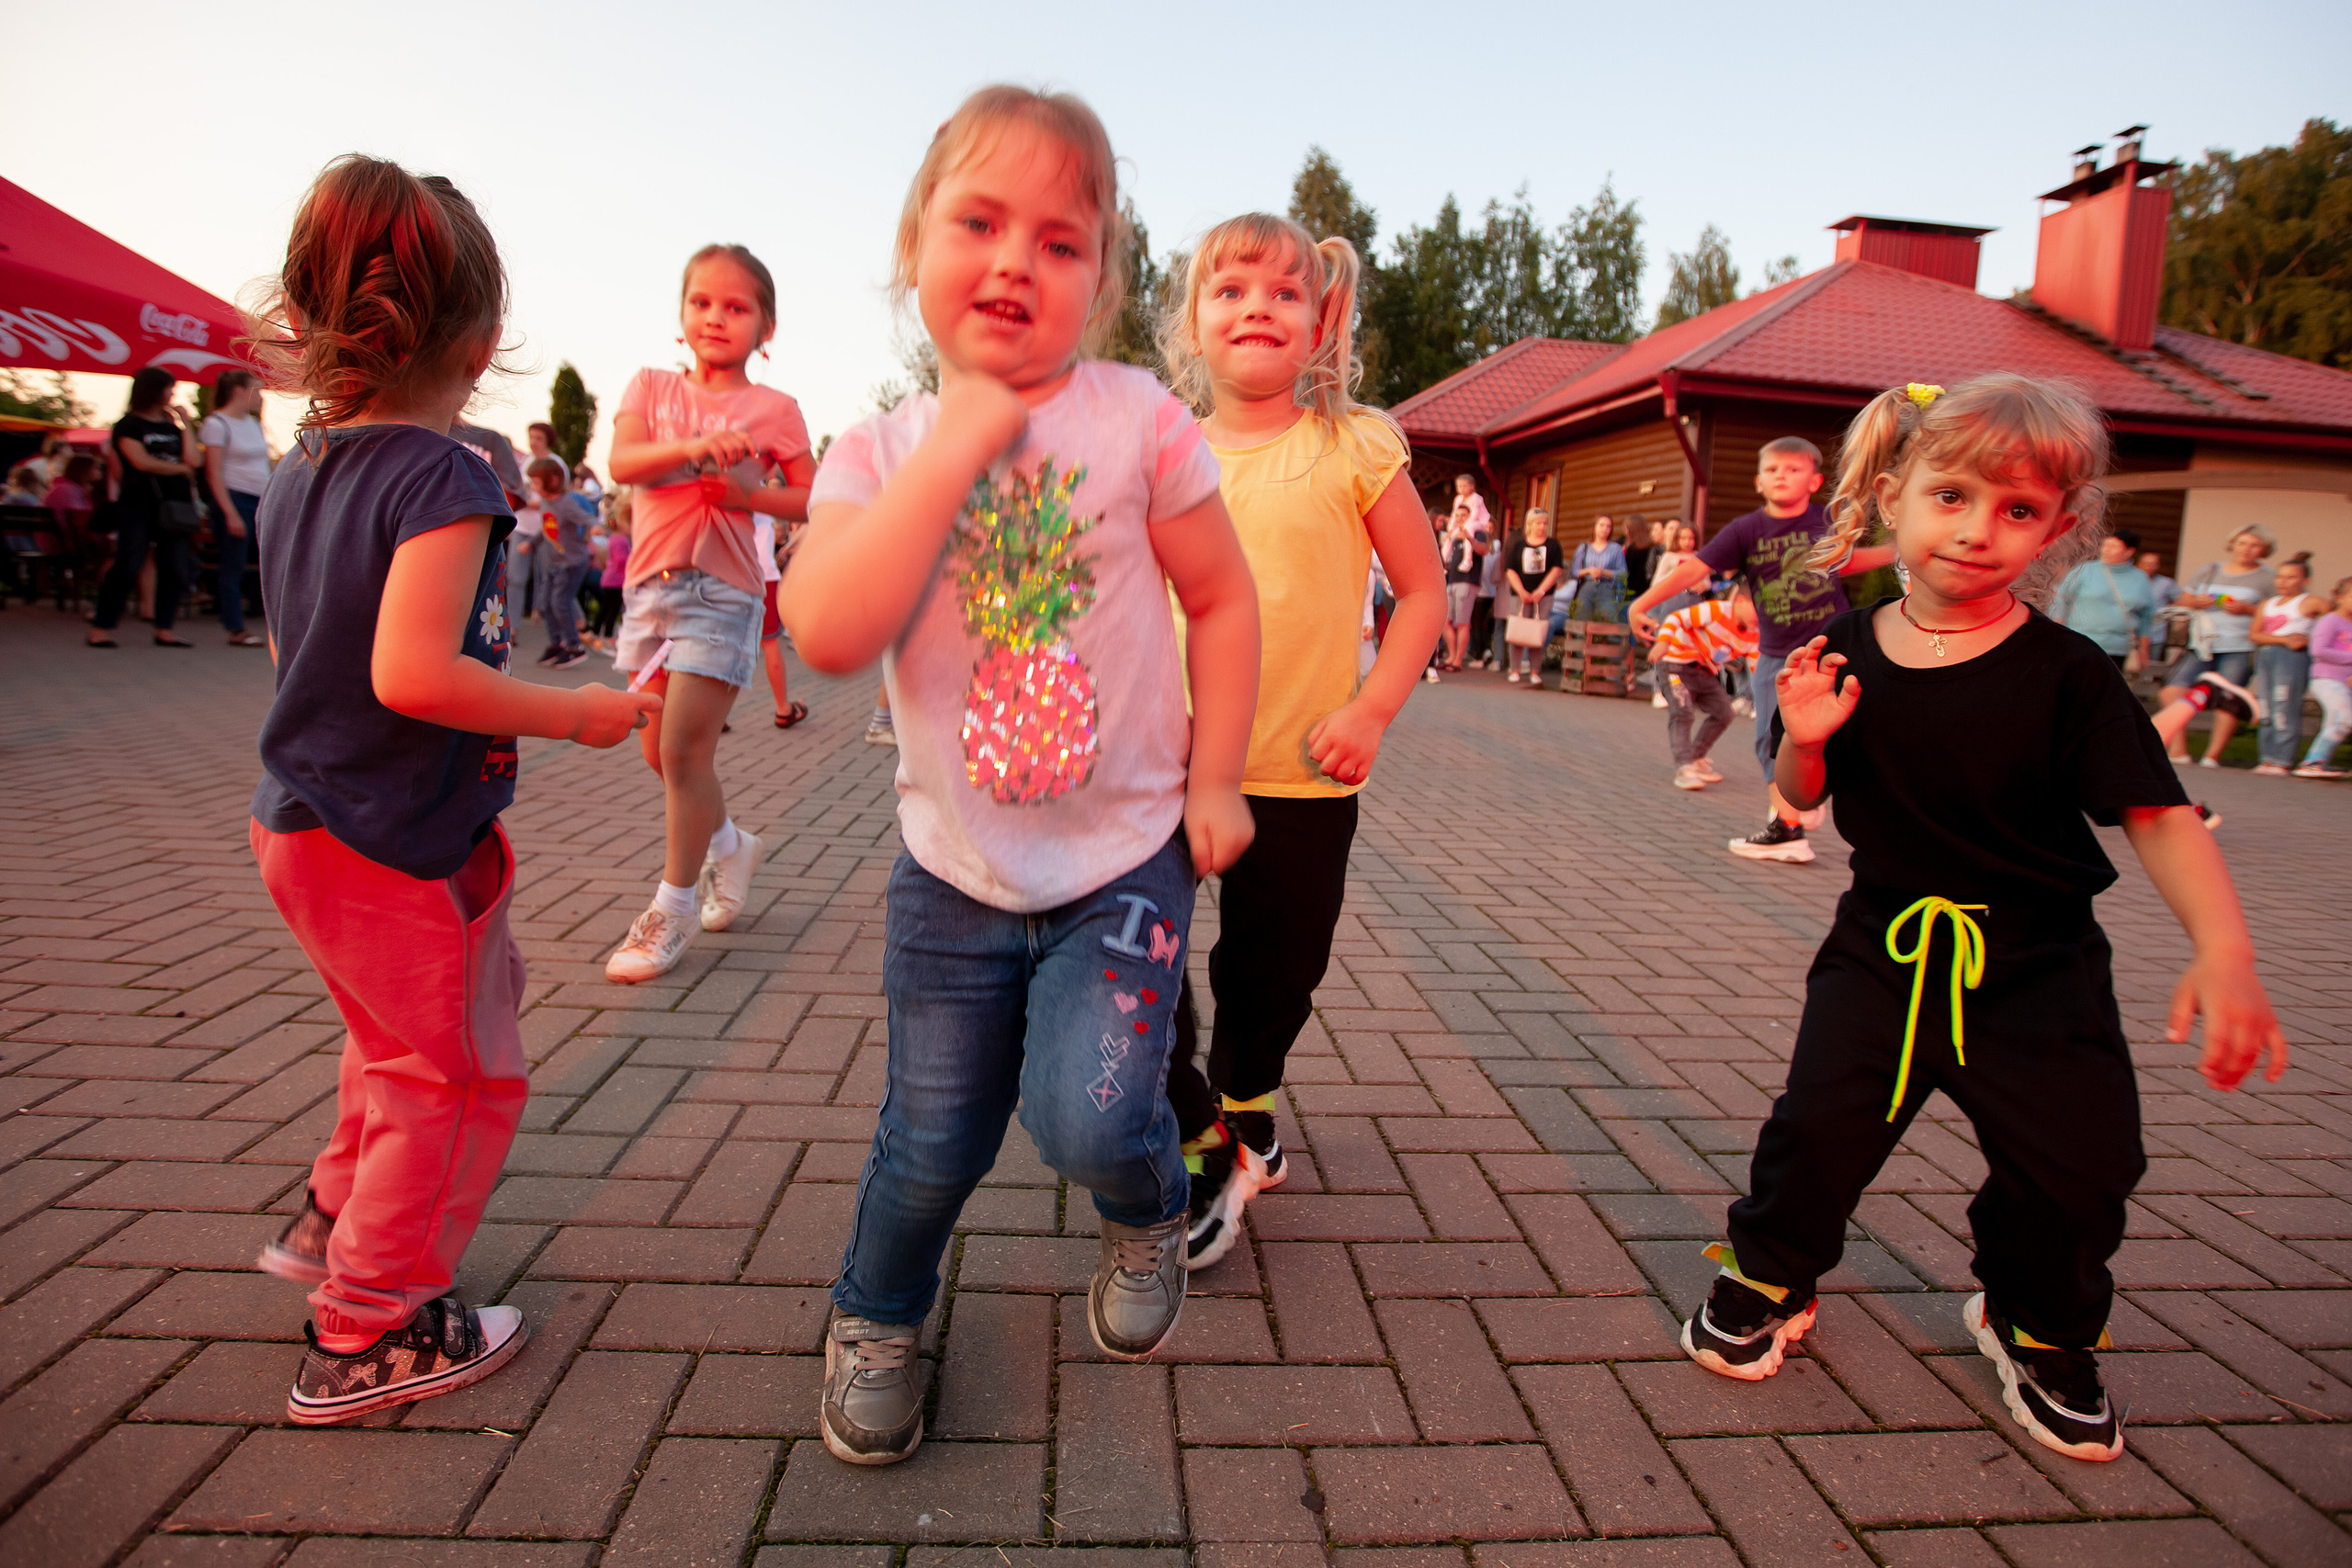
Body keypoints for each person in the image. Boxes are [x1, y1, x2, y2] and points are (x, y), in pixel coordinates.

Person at [1679, 374, 2286, 1467]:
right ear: (1894, 500)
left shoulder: (2070, 676)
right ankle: (1770, 1271)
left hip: (2038, 964)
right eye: (1952, 498)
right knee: (1818, 1124)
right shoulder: (1849, 648)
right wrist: (1805, 738)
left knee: (2081, 1166)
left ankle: (2034, 1326)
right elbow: (1803, 798)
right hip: (1883, 948)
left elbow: (2156, 815)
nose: (1977, 531)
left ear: (2059, 528)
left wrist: (2225, 947)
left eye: (2018, 512)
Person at [782, 85, 1261, 1463]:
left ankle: (1152, 1200)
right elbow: (826, 629)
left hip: (1127, 859)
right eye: (979, 221)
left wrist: (1218, 775)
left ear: (1102, 279)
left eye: (1061, 240)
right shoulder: (877, 450)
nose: (1013, 259)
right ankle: (877, 1310)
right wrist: (959, 441)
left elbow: (1223, 601)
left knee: (1096, 1109)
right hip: (953, 874)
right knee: (930, 1138)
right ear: (913, 248)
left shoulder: (1141, 420)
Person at [242, 153, 658, 1425]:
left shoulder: (304, 469)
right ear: (480, 344)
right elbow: (414, 668)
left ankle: (332, 1221)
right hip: (389, 834)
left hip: (303, 818)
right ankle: (368, 1326)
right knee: (455, 1073)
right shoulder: (445, 476)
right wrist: (575, 712)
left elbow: (292, 651)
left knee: (394, 1040)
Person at [1152, 209, 1445, 1268]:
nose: (1256, 310)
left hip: (1305, 777)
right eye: (1228, 291)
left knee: (1273, 975)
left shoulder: (1353, 444)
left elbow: (1421, 595)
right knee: (1147, 968)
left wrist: (1369, 709)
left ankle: (1246, 1100)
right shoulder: (1160, 448)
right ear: (1192, 322)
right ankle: (1205, 1134)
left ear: (1322, 322)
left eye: (1283, 293)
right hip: (1170, 775)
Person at [602, 243, 815, 982]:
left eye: (736, 306)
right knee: (655, 752)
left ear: (766, 325)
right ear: (681, 314)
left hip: (724, 590)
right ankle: (730, 845)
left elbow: (812, 495)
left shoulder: (776, 409)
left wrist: (750, 495)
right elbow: (624, 463)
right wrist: (696, 448)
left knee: (688, 754)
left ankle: (672, 906)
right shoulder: (652, 387)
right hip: (648, 590)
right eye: (702, 303)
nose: (716, 317)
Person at [1628, 435, 1896, 863]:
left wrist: (1896, 553)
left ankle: (1806, 802)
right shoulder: (1745, 530)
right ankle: (1787, 826)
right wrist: (1642, 603)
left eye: (1793, 469)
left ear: (1814, 481)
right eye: (1773, 470)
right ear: (1758, 481)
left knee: (1842, 729)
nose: (1782, 476)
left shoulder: (1825, 521)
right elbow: (1695, 569)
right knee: (1770, 740)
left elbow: (1843, 561)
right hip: (1775, 654)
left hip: (1833, 645)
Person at [88, 367, 200, 649]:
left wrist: (186, 423)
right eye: (168, 388)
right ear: (153, 389)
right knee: (128, 563)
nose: (172, 394)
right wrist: (179, 469)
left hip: (174, 507)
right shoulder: (128, 425)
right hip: (137, 505)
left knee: (175, 567)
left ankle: (165, 628)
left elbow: (194, 460)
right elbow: (140, 462)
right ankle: (101, 627)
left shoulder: (172, 426)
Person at [2159, 525, 2277, 767]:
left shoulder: (2268, 578)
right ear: (2232, 544)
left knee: (2229, 700)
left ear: (2264, 550)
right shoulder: (2209, 570)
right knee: (2172, 690)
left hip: (2239, 646)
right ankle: (2178, 750)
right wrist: (2198, 601)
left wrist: (2248, 609)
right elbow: (2183, 598)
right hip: (2202, 642)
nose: (2246, 549)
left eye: (2254, 545)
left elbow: (2278, 613)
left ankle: (2212, 756)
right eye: (2242, 543)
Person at [1655, 586, 1759, 791]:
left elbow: (1759, 671)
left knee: (1725, 713)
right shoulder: (1717, 610)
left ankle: (1695, 757)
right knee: (1683, 713)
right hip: (1674, 663)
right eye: (1757, 608)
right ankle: (1685, 768)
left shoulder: (1756, 635)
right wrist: (1663, 642)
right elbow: (1676, 618)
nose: (1760, 615)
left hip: (1703, 672)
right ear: (1739, 602)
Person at [199, 367, 272, 646]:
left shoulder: (254, 424)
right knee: (234, 564)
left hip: (259, 499)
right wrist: (229, 512)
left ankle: (263, 621)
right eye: (257, 389)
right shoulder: (216, 424)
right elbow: (213, 473)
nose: (261, 396)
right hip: (234, 498)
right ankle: (235, 627)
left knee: (266, 561)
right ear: (239, 390)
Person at [2250, 552, 2329, 775]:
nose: (2283, 582)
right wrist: (2284, 639)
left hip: (2292, 659)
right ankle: (2266, 758)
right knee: (2266, 707)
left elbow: (2337, 620)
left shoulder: (2311, 602)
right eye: (2280, 576)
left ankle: (2282, 759)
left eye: (2291, 577)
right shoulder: (2268, 603)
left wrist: (2313, 640)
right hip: (2267, 656)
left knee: (2284, 707)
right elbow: (2255, 634)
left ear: (2306, 580)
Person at [2050, 527, 2154, 671]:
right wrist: (2058, 626)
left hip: (2118, 649)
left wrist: (2144, 649)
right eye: (2105, 545)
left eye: (2113, 546)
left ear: (2129, 551)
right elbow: (2061, 598)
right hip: (2082, 642)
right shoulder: (2085, 570)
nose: (2106, 550)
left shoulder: (2140, 578)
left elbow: (2146, 616)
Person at [525, 457, 594, 668]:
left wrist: (595, 528)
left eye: (537, 482)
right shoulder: (547, 502)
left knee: (560, 603)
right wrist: (532, 542)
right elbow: (548, 529)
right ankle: (557, 644)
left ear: (552, 480)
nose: (534, 488)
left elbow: (586, 518)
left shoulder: (566, 503)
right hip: (555, 563)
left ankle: (574, 647)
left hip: (572, 563)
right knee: (546, 603)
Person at [753, 487, 806, 728]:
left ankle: (713, 716)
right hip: (763, 574)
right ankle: (783, 708)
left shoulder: (720, 478)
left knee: (723, 644)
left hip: (728, 572)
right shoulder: (758, 488)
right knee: (770, 642)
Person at [2295, 575, 2352, 778]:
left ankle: (2317, 764)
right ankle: (2312, 762)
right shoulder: (2331, 621)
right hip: (2328, 680)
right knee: (2343, 721)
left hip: (2347, 683)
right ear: (2339, 597)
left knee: (2334, 723)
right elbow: (2318, 650)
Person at [1503, 509, 1565, 685]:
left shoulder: (1552, 545)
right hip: (1520, 594)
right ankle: (1514, 669)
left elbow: (1556, 569)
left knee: (1538, 632)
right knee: (1518, 631)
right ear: (1530, 525)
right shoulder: (1519, 546)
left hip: (1543, 596)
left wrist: (1541, 591)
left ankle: (1535, 671)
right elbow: (1510, 570)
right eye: (1538, 523)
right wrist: (1521, 591)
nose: (1542, 526)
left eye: (1545, 523)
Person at [1438, 493, 1487, 670]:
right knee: (1445, 621)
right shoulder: (1452, 534)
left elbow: (1483, 550)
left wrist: (1470, 539)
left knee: (1463, 622)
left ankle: (1458, 659)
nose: (1459, 519)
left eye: (1463, 516)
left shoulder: (1478, 531)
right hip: (1451, 579)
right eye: (1457, 516)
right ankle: (1451, 655)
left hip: (1467, 580)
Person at [591, 501, 630, 644]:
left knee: (606, 606)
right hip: (617, 579)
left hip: (610, 578)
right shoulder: (621, 540)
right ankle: (608, 635)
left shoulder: (613, 538)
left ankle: (595, 631)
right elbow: (621, 559)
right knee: (613, 609)